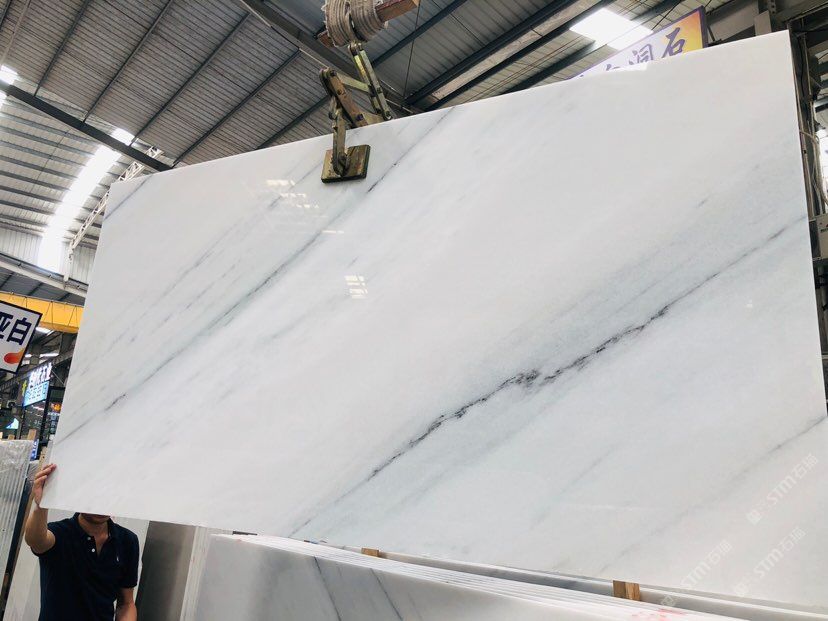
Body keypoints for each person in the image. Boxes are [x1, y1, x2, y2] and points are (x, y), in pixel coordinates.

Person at [23, 464, 140, 621]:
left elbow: (126, 603)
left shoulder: (127, 541)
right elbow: (35, 540)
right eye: (94, 497)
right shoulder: (60, 533)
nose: (101, 506)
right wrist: (40, 505)